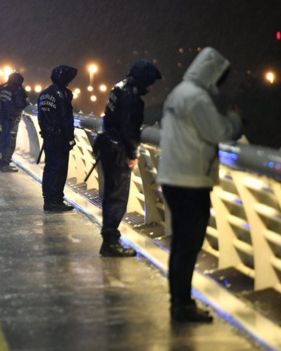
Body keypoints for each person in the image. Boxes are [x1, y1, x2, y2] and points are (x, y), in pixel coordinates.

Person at [157, 47, 242, 323]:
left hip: (173, 177)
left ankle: (178, 302)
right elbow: (219, 132)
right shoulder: (197, 98)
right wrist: (235, 120)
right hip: (190, 180)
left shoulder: (179, 93)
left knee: (181, 244)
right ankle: (181, 306)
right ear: (211, 74)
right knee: (188, 244)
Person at [96, 60, 161, 257]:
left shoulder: (118, 88)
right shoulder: (132, 98)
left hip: (107, 145)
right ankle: (110, 242)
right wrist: (133, 154)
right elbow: (129, 129)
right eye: (150, 83)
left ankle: (109, 239)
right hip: (118, 152)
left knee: (110, 194)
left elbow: (110, 118)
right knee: (117, 196)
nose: (150, 88)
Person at [38, 65, 78, 212]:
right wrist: (69, 138)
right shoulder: (62, 95)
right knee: (59, 169)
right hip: (59, 139)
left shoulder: (44, 94)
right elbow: (65, 118)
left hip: (49, 137)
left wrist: (46, 132)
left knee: (50, 169)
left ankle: (49, 199)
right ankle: (55, 201)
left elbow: (42, 117)